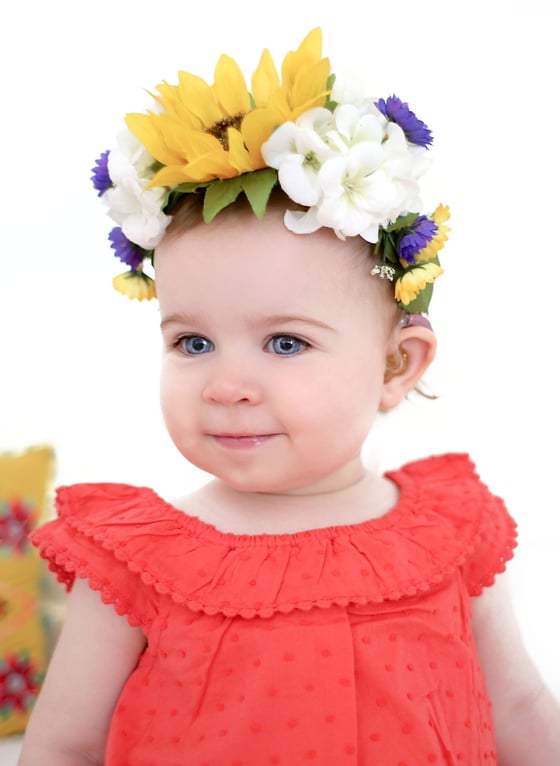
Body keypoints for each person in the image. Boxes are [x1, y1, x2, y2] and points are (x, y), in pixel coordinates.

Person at [19, 27, 560, 766]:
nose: (227, 386)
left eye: (285, 344)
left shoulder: (452, 533)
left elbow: (522, 709)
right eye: (193, 343)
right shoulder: (135, 560)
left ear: (397, 366)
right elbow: (64, 749)